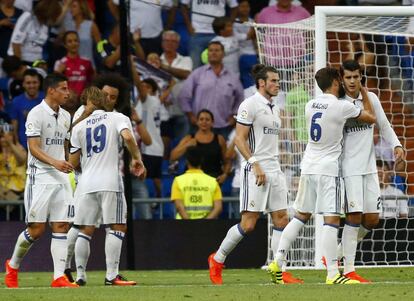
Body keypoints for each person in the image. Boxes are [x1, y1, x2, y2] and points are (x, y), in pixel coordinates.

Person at [268, 67, 376, 285]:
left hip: (308, 166)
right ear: (337, 81)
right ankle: (333, 274)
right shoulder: (342, 106)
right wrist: (363, 92)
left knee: (300, 216)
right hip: (328, 169)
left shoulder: (310, 104)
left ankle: (278, 260)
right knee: (332, 219)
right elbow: (371, 118)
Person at [208, 64, 301, 285]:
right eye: (274, 81)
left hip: (275, 169)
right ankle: (217, 259)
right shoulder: (249, 105)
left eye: (278, 81)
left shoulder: (276, 108)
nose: (278, 84)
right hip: (255, 170)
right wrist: (255, 163)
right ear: (262, 83)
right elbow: (239, 139)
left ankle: (279, 269)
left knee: (281, 218)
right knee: (249, 224)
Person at [4, 73, 78, 288]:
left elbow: (64, 148)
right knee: (36, 229)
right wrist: (55, 162)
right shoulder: (36, 114)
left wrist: (68, 163)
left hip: (61, 177)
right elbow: (33, 148)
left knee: (61, 225)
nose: (68, 92)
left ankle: (58, 277)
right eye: (64, 88)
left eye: (68, 88)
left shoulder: (66, 116)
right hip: (40, 176)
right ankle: (13, 265)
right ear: (52, 90)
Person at [336, 60, 405, 282]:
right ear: (342, 79)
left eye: (356, 76)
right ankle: (348, 269)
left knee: (373, 219)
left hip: (369, 169)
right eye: (348, 77)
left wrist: (397, 145)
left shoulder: (372, 99)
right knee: (354, 216)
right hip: (348, 169)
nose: (353, 81)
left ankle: (337, 256)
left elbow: (384, 125)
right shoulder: (338, 103)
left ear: (360, 77)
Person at [69, 86, 145, 286]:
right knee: (117, 225)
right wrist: (137, 158)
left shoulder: (79, 126)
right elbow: (128, 137)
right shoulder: (117, 117)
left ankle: (80, 276)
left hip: (85, 183)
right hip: (110, 181)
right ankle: (111, 275)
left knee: (84, 229)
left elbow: (73, 162)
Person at [179, 41, 244, 140]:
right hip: (199, 125)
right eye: (211, 50)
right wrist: (190, 115)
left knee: (222, 155)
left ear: (223, 54)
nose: (213, 53)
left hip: (223, 126)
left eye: (217, 50)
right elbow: (184, 95)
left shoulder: (232, 77)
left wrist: (234, 116)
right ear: (207, 53)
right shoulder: (197, 74)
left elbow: (240, 98)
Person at [170, 109, 231, 184]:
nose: (204, 122)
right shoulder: (189, 138)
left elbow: (227, 161)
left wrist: (224, 175)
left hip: (213, 180)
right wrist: (187, 145)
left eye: (207, 120)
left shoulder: (219, 139)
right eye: (201, 119)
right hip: (192, 181)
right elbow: (173, 156)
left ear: (212, 122)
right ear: (197, 122)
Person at [180, 0, 238, 68]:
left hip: (218, 34)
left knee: (220, 68)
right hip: (197, 32)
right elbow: (183, 5)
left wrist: (228, 25)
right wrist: (189, 26)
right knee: (195, 67)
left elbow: (234, 7)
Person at [171, 146, 223, 219]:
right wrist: (204, 223)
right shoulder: (213, 181)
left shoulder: (178, 181)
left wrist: (191, 224)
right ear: (202, 160)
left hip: (183, 226)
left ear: (187, 161)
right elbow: (218, 207)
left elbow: (179, 206)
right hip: (207, 227)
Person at [7, 0, 62, 65]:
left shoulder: (45, 25)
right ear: (49, 13)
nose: (56, 19)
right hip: (18, 60)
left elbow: (39, 48)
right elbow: (16, 44)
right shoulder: (27, 17)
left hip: (36, 62)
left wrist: (41, 63)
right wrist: (20, 67)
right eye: (55, 16)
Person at [54, 30, 94, 98]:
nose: (74, 43)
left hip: (83, 102)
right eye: (70, 41)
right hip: (67, 102)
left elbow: (91, 82)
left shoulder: (87, 62)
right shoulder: (60, 63)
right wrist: (58, 73)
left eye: (76, 40)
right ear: (65, 45)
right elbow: (54, 85)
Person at [10, 68, 44, 148]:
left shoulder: (46, 99)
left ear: (39, 83)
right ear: (23, 84)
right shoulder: (16, 101)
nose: (31, 86)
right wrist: (17, 143)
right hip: (24, 145)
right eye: (28, 83)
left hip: (43, 146)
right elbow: (15, 124)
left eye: (34, 82)